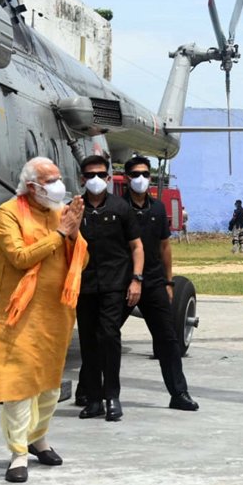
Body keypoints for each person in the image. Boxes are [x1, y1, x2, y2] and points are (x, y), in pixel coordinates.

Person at [0, 157, 87, 483]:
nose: (58, 185)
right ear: (31, 186)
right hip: (21, 312)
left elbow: (81, 260)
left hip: (56, 311)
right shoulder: (8, 212)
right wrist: (60, 233)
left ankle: (38, 438)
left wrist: (73, 235)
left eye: (58, 178)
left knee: (49, 383)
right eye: (50, 180)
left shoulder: (60, 212)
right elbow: (19, 257)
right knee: (19, 384)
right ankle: (18, 453)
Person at [121, 156, 199, 411]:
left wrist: (168, 281)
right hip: (123, 283)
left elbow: (165, 247)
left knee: (167, 338)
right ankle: (89, 391)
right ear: (127, 178)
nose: (141, 179)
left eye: (145, 174)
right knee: (105, 335)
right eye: (135, 174)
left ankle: (179, 393)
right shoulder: (118, 208)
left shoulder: (157, 209)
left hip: (153, 282)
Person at [75, 155, 143, 422]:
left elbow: (137, 246)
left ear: (108, 177)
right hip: (84, 286)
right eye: (90, 175)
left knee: (109, 337)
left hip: (115, 284)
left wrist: (136, 279)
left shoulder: (121, 208)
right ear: (82, 178)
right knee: (88, 341)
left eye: (101, 175)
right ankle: (93, 399)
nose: (96, 179)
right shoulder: (74, 208)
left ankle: (112, 396)